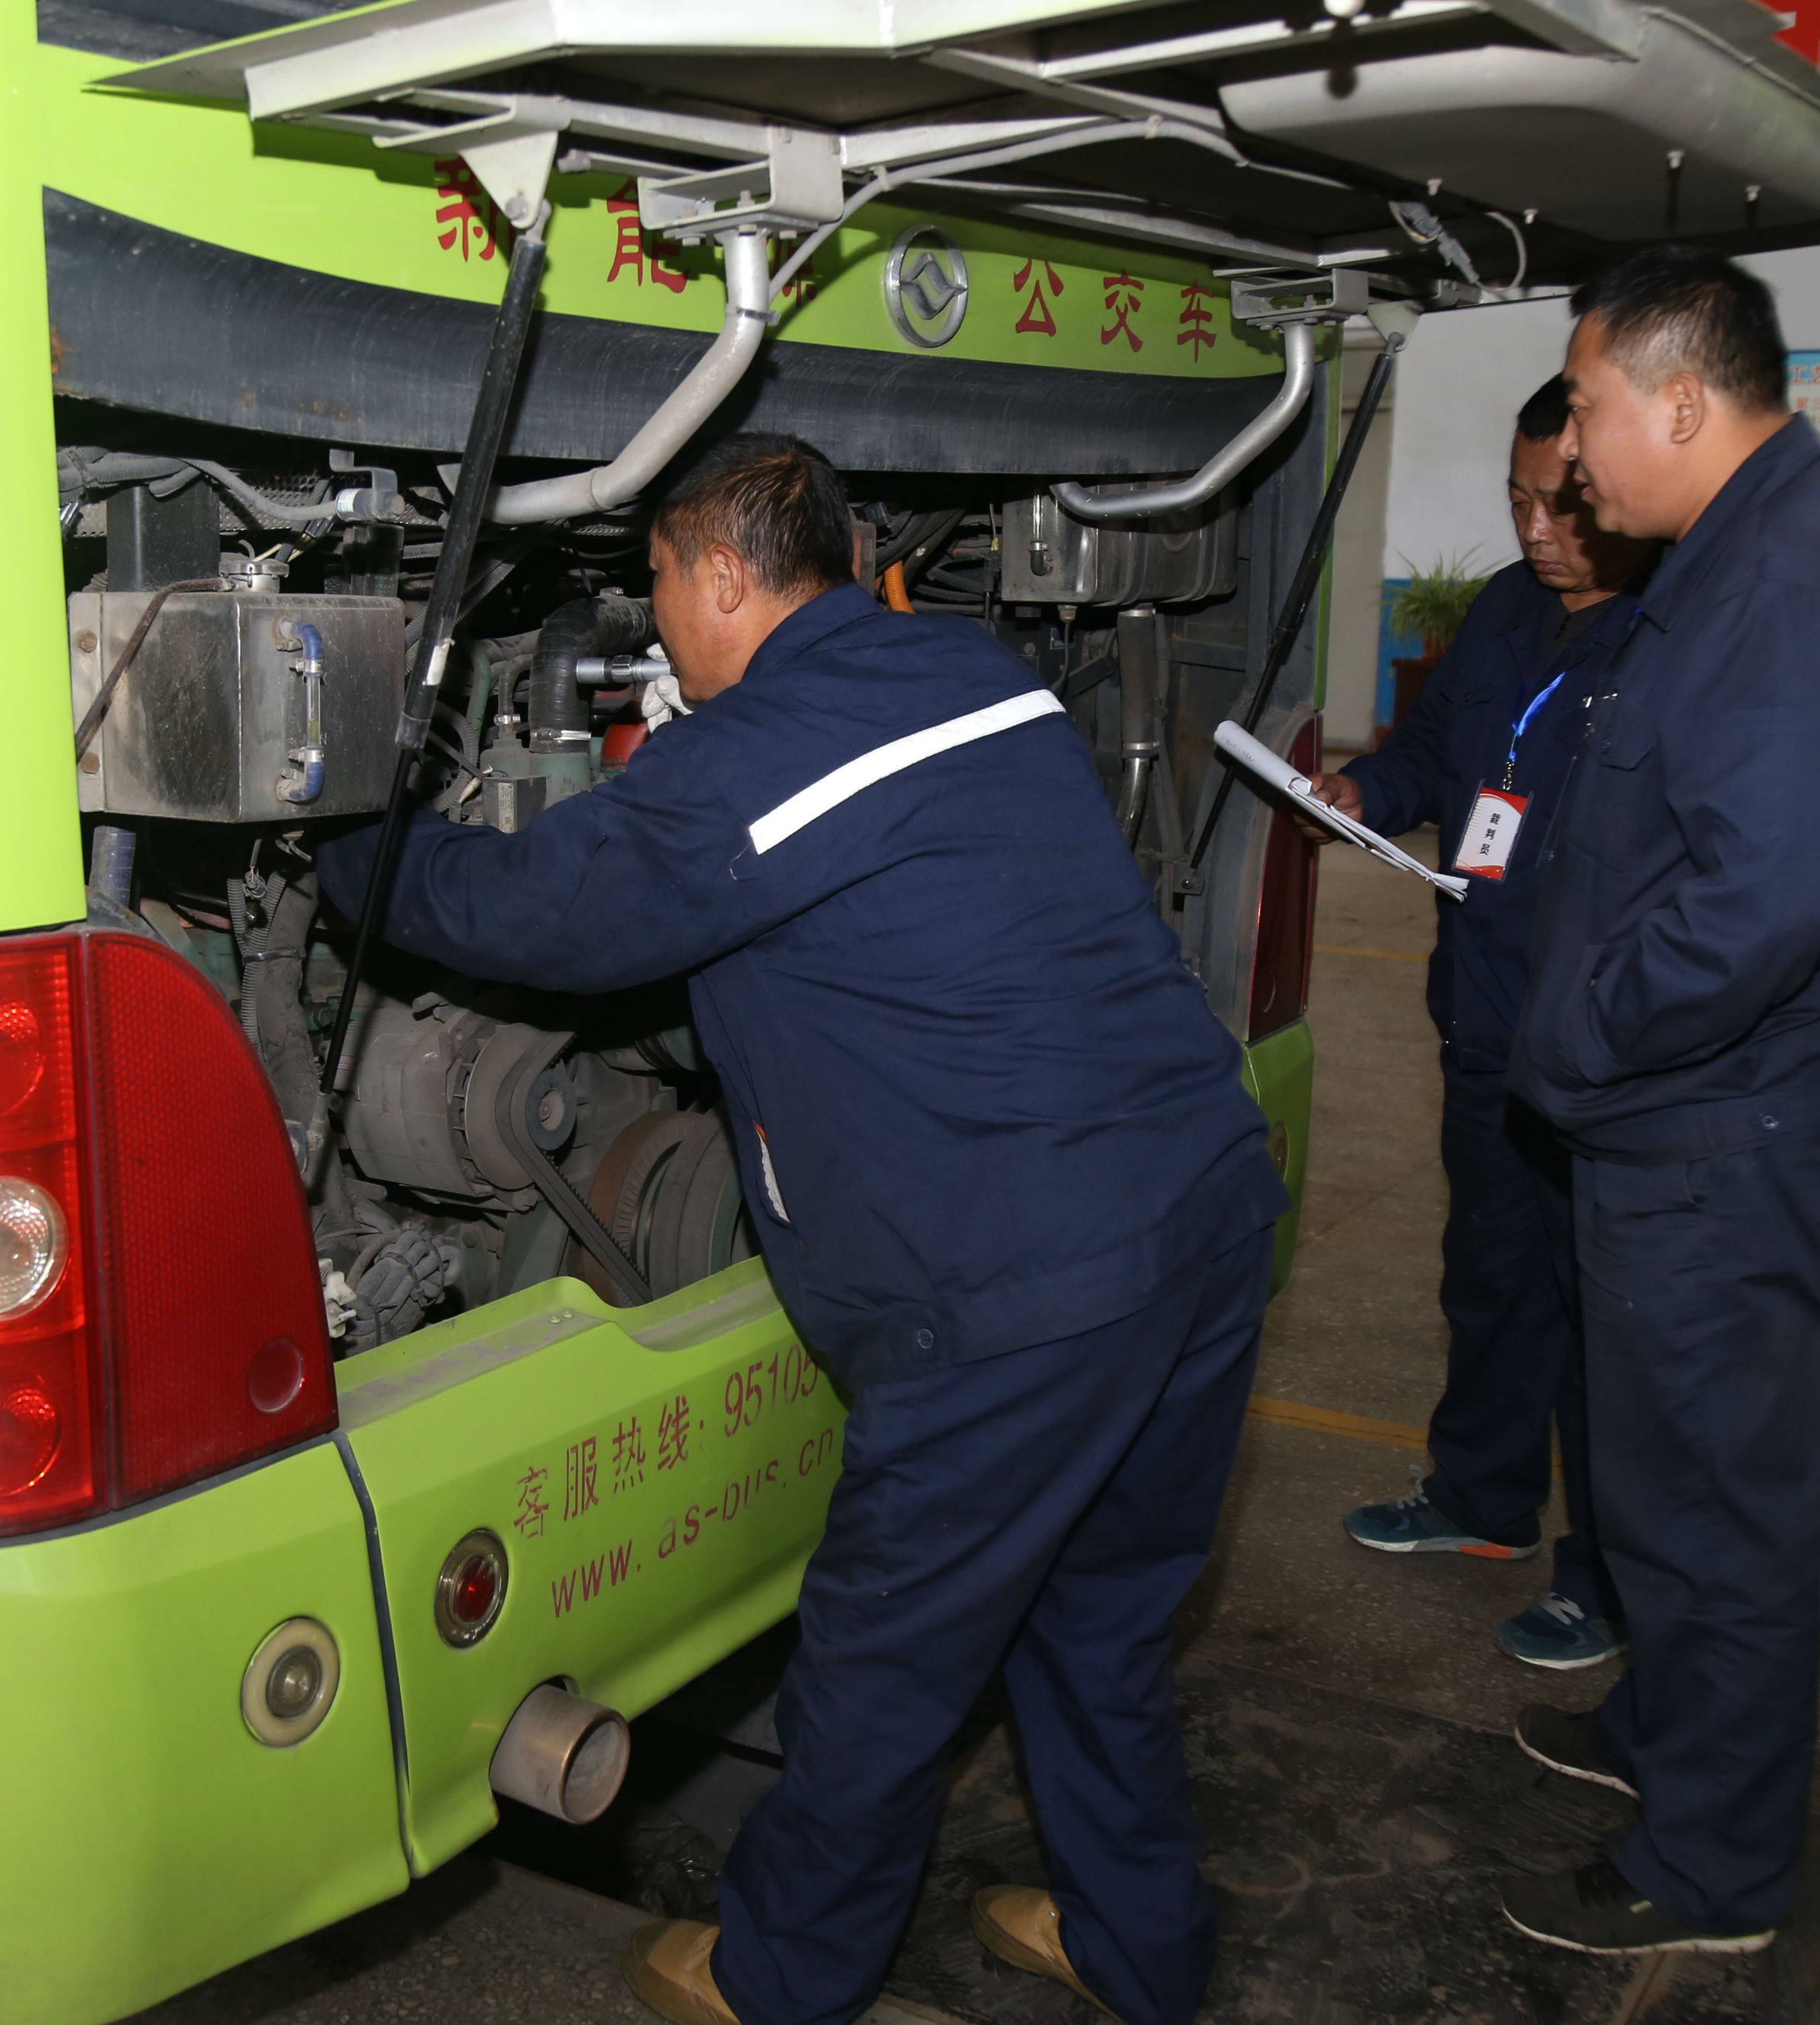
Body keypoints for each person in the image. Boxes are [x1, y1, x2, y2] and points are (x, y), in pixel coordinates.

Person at [316, 435, 1288, 2025]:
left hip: (1022, 1286)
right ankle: (1137, 1946)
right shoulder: (968, 674)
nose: (653, 617)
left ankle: (781, 1980)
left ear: (718, 574)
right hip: (1200, 1209)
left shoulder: (765, 749)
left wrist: (352, 832)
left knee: (880, 1667)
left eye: (654, 581)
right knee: (1097, 1616)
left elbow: (533, 913)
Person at [1500, 248, 1820, 1954]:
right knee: (1663, 1485)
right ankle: (1672, 1739)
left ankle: (1714, 1867)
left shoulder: (1782, 572)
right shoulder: (1765, 539)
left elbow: (1763, 897)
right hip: (1703, 1120)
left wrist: (1584, 1034)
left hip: (1715, 1127)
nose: (1571, 451)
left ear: (1682, 401)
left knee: (1716, 1516)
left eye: (1586, 408)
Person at [1318, 375, 1658, 1668]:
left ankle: (1610, 1579)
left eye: (1566, 505)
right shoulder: (1510, 612)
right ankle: (1481, 1499)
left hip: (1608, 1045)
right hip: (1486, 1020)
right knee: (1492, 1279)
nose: (1538, 531)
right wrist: (1363, 789)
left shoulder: (1678, 629)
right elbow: (1435, 756)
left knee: (1603, 1323)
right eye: (1519, 501)